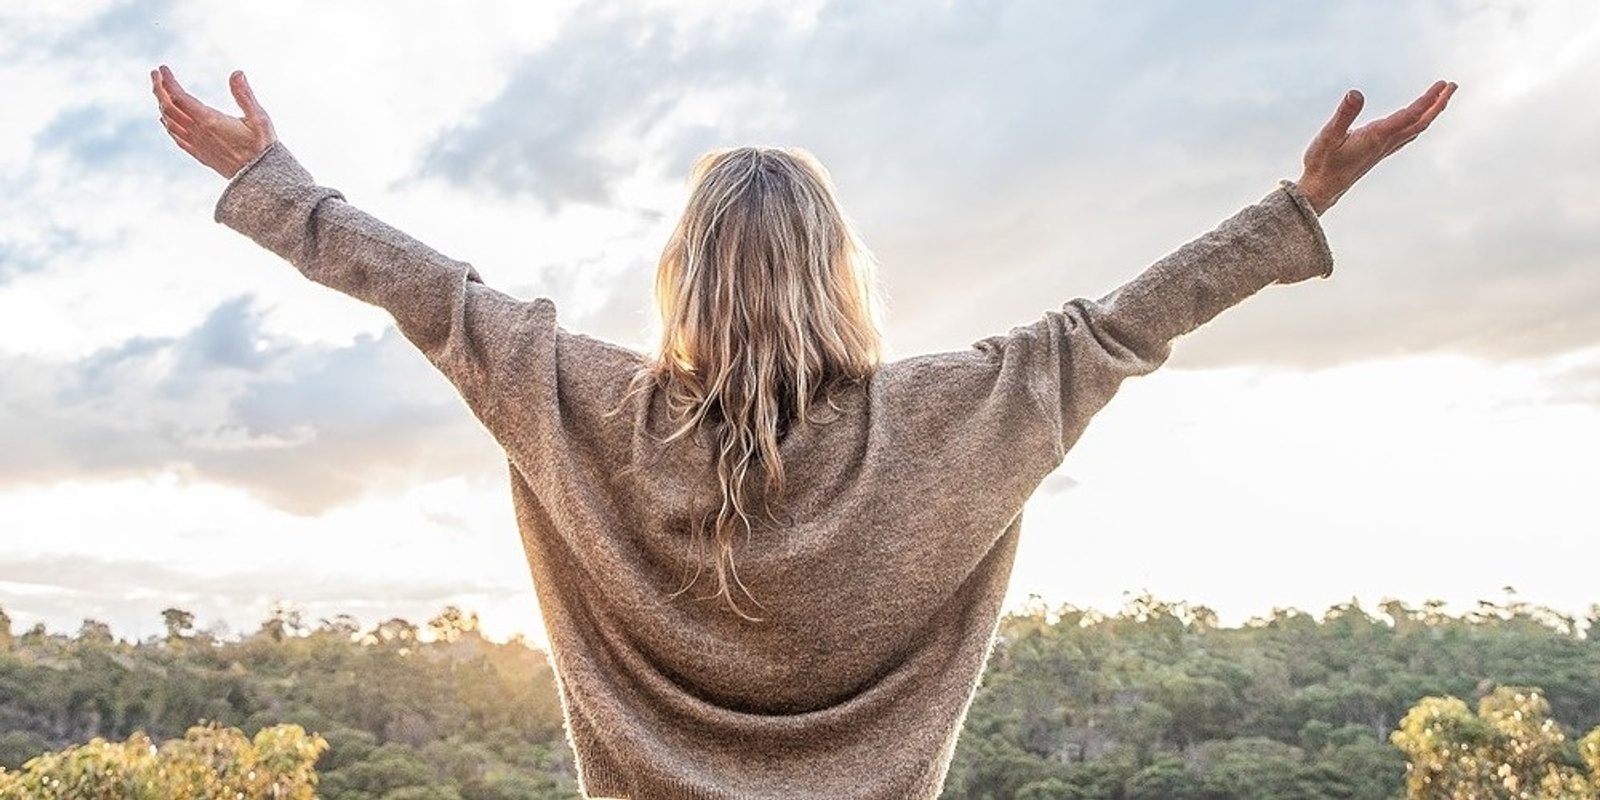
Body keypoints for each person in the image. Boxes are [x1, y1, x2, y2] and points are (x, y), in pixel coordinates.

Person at [152, 65, 1454, 799]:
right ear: (843, 273)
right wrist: (1295, 207)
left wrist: (280, 189)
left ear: (681, 275)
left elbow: (436, 299)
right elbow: (1121, 325)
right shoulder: (956, 420)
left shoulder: (582, 403)